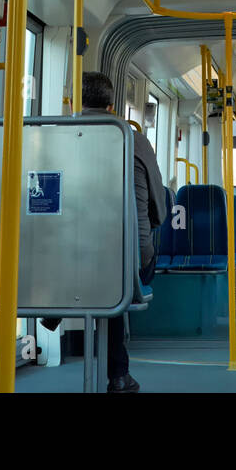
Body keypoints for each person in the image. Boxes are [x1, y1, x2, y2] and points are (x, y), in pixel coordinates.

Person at [82, 70, 165, 393]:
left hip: (64, 259)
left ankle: (53, 314)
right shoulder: (134, 139)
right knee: (114, 263)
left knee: (94, 264)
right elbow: (158, 208)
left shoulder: (55, 134)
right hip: (128, 256)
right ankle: (118, 375)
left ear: (77, 101)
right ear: (111, 105)